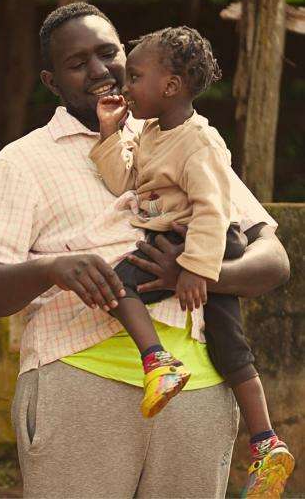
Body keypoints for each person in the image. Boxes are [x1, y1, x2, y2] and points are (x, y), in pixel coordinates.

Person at [0, 3, 291, 498]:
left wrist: (193, 276)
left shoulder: (184, 137)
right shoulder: (21, 162)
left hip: (200, 389)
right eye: (77, 63)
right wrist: (52, 267)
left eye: (109, 53)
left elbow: (273, 258)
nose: (100, 71)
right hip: (81, 385)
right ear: (51, 82)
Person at [90, 25, 294, 493]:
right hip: (181, 246)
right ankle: (266, 442)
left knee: (123, 289)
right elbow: (127, 182)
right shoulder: (150, 133)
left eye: (135, 77)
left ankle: (160, 363)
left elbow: (214, 208)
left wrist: (198, 271)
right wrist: (109, 135)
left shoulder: (199, 141)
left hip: (210, 244)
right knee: (225, 346)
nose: (125, 86)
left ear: (170, 86)